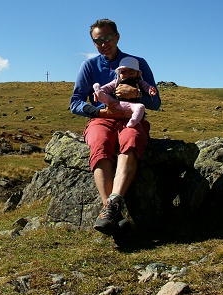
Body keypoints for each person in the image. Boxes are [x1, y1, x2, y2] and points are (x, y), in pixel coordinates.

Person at [69, 19, 160, 235]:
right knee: (100, 143)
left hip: (132, 117)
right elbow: (75, 103)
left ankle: (109, 210)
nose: (103, 43)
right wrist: (101, 112)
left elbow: (156, 102)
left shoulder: (138, 63)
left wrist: (137, 95)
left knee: (132, 140)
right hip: (101, 118)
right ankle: (112, 211)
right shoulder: (89, 66)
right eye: (98, 40)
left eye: (108, 38)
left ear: (117, 36)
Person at [92, 56, 158, 128]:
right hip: (116, 103)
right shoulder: (116, 81)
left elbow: (147, 87)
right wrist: (100, 91)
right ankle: (99, 93)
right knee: (108, 99)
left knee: (140, 107)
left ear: (137, 74)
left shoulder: (140, 82)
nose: (127, 74)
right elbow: (107, 88)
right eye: (123, 71)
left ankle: (133, 120)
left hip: (131, 106)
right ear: (119, 73)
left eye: (131, 72)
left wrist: (150, 91)